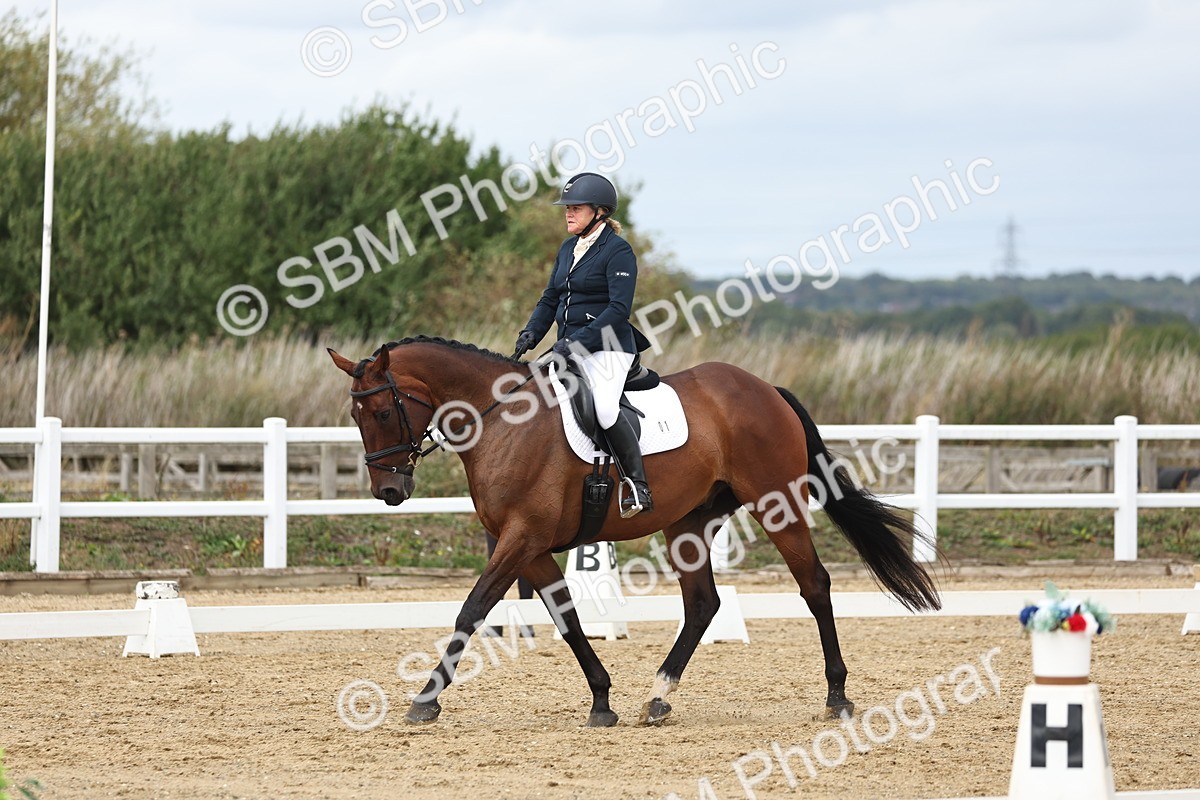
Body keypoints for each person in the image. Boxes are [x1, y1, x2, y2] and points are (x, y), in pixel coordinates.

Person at [514, 172, 654, 518]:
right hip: (568, 347)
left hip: (609, 347)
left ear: (600, 212)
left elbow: (618, 310)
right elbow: (550, 298)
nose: (568, 213)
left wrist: (573, 343)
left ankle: (637, 485)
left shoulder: (618, 251)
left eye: (575, 208)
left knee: (605, 408)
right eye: (567, 208)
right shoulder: (567, 249)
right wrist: (531, 333)